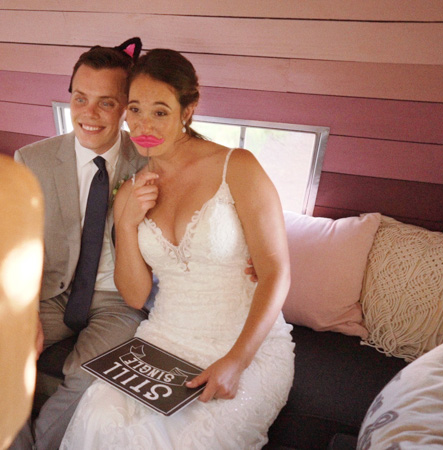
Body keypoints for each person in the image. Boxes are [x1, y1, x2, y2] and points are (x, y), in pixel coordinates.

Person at [61, 49, 295, 449]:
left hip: (242, 347)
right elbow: (134, 294)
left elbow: (276, 271)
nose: (142, 124)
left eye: (160, 111)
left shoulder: (237, 167)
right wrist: (127, 220)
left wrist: (236, 362)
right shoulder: (133, 189)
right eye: (134, 109)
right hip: (162, 341)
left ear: (188, 109)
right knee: (98, 420)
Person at [8, 38, 149, 450]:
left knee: (88, 375)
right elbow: (17, 247)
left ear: (126, 108)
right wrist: (23, 312)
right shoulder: (31, 160)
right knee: (0, 358)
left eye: (106, 103)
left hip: (117, 300)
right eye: (80, 98)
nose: (89, 114)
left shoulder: (149, 163)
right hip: (48, 296)